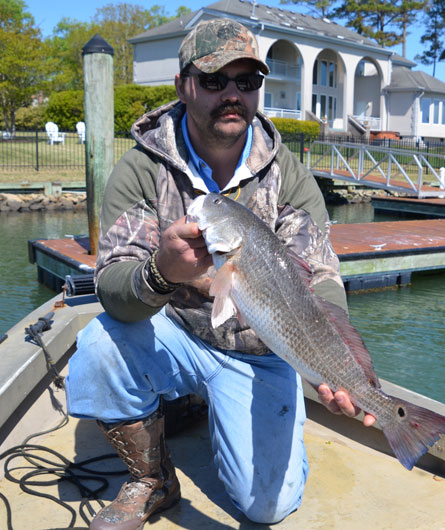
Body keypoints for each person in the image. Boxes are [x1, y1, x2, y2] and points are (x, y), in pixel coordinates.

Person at [64, 18, 374, 530]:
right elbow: (113, 288)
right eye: (214, 80)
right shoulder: (142, 169)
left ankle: (201, 405)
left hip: (263, 352)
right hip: (176, 332)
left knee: (268, 507)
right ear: (183, 85)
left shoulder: (289, 176)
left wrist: (337, 362)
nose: (233, 94)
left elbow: (321, 278)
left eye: (246, 81)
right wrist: (161, 271)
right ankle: (153, 479)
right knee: (99, 346)